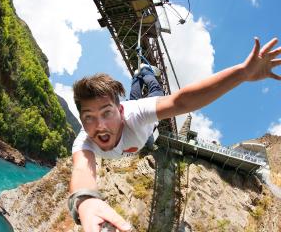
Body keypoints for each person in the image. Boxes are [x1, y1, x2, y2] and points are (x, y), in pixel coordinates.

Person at [68, 38, 281, 232]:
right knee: (134, 92)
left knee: (155, 90)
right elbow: (81, 169)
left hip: (146, 132)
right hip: (136, 131)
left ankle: (147, 73)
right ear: (82, 120)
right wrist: (85, 201)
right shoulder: (84, 141)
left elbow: (181, 101)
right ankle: (138, 75)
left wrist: (242, 73)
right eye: (89, 117)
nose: (100, 125)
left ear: (120, 112)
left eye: (106, 113)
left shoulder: (136, 114)